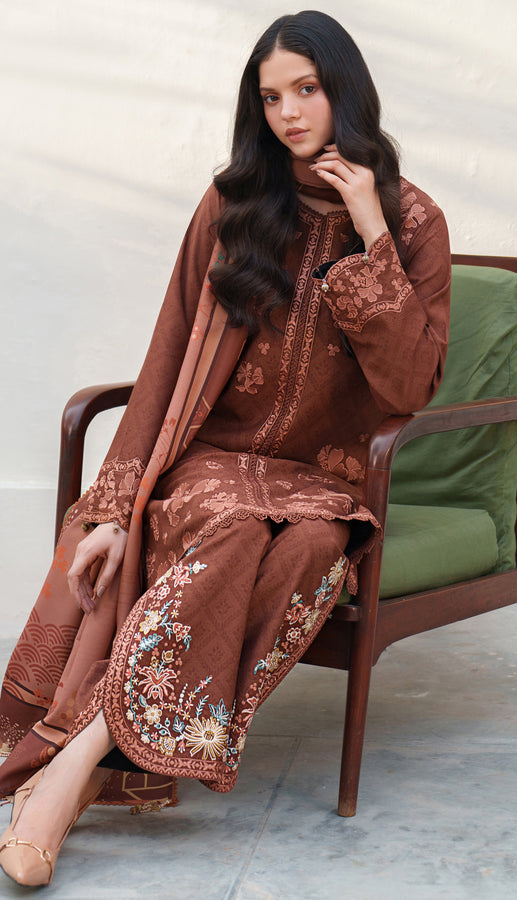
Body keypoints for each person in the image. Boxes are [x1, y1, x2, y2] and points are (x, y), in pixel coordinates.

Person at [0, 9, 451, 887]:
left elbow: (409, 388)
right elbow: (167, 357)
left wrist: (372, 235)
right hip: (212, 463)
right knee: (240, 527)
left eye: (307, 90)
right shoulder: (234, 203)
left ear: (346, 89)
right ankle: (78, 770)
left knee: (316, 548)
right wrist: (112, 509)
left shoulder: (414, 221)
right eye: (271, 97)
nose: (289, 114)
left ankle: (78, 763)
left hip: (323, 479)